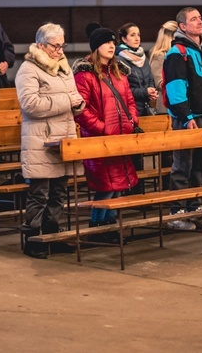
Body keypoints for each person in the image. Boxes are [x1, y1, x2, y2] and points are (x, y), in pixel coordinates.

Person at [16, 23, 84, 259]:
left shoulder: (63, 68)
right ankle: (33, 239)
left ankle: (53, 235)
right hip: (41, 141)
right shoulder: (28, 69)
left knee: (58, 193)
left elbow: (73, 98)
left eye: (62, 45)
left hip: (63, 139)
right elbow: (30, 105)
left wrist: (78, 104)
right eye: (56, 46)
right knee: (40, 194)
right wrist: (68, 101)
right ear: (42, 46)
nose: (60, 50)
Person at [163, 7, 202, 231]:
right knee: (183, 167)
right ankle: (177, 213)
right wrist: (185, 115)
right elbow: (175, 88)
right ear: (183, 26)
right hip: (186, 120)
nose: (199, 22)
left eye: (200, 18)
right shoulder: (177, 53)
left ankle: (194, 209)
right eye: (193, 19)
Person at [73, 25, 138, 243]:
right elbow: (82, 110)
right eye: (106, 43)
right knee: (105, 188)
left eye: (113, 42)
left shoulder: (118, 72)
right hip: (98, 139)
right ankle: (97, 227)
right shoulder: (85, 74)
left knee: (118, 186)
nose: (111, 46)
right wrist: (102, 128)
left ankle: (109, 226)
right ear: (95, 47)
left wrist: (132, 122)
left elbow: (129, 101)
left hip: (120, 137)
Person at [116, 22, 158, 116]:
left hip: (146, 109)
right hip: (130, 111)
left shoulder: (144, 58)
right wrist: (145, 92)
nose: (137, 38)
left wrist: (151, 91)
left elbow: (150, 79)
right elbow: (122, 90)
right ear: (124, 39)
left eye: (138, 35)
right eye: (132, 35)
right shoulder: (119, 61)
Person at [148, 20, 179, 115]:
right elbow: (160, 83)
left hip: (178, 103)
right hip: (166, 107)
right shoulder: (159, 55)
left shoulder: (177, 54)